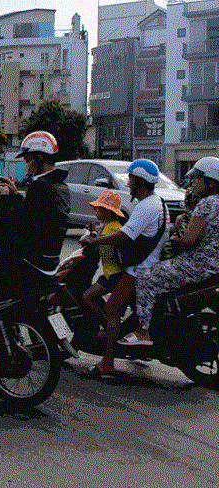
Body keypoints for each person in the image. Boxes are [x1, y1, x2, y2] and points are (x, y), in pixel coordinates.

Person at [79, 159, 168, 378]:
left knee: (111, 310)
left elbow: (123, 236)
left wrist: (95, 241)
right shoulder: (158, 202)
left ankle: (107, 363)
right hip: (146, 265)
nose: (128, 184)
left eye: (130, 180)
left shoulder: (146, 206)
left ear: (140, 181)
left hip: (138, 271)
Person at [120, 157, 219, 348]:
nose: (193, 182)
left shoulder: (207, 204)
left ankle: (143, 331)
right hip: (213, 266)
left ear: (211, 182)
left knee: (145, 278)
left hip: (197, 265)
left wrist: (176, 240)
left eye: (197, 178)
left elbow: (189, 241)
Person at [0, 130, 70, 274]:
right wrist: (15, 195)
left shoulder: (40, 185)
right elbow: (34, 214)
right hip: (49, 259)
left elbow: (16, 225)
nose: (27, 165)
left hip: (32, 260)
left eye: (28, 160)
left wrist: (3, 198)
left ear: (39, 157)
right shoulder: (60, 185)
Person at [80, 189, 125, 331]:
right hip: (109, 274)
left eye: (98, 209)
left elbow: (96, 240)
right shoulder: (110, 226)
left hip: (114, 275)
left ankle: (105, 324)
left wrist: (90, 240)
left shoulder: (111, 230)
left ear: (106, 211)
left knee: (87, 296)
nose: (96, 212)